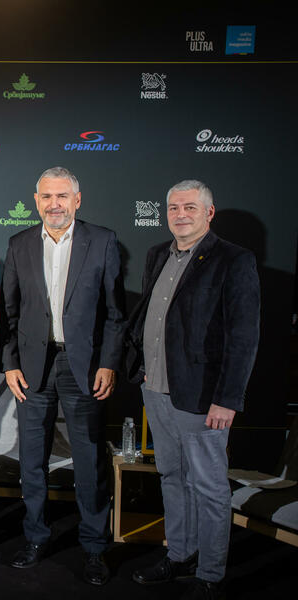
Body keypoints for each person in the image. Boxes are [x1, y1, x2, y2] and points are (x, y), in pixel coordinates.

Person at [126, 180, 260, 600]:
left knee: (209, 487)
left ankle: (210, 573)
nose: (180, 214)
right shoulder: (157, 254)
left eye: (190, 207)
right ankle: (180, 554)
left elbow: (243, 337)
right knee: (172, 476)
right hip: (156, 390)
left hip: (204, 399)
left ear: (209, 213)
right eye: (173, 207)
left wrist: (227, 399)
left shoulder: (234, 260)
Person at [0, 166, 126, 585]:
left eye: (62, 196)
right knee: (31, 460)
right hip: (32, 369)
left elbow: (115, 313)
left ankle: (94, 548)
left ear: (77, 199)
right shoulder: (19, 244)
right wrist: (10, 364)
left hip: (84, 367)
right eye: (47, 197)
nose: (54, 204)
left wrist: (108, 362)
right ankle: (35, 538)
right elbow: (8, 312)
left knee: (89, 461)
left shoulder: (103, 241)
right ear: (36, 201)